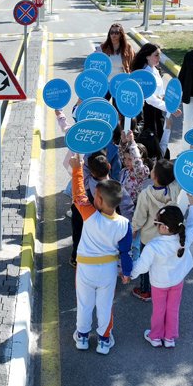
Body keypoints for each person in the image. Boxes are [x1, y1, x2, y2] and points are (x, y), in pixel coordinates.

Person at [69, 152, 132, 356]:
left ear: (102, 201)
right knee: (105, 306)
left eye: (95, 195)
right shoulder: (124, 224)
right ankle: (104, 340)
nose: (91, 197)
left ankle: (82, 337)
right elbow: (125, 252)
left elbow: (78, 194)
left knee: (84, 303)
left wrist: (77, 169)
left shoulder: (90, 215)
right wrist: (126, 273)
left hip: (85, 269)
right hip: (108, 271)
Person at [131, 197, 193, 349]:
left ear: (164, 228)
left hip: (159, 284)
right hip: (177, 282)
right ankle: (170, 338)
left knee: (159, 310)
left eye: (156, 223)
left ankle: (155, 336)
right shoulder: (184, 239)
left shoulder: (153, 246)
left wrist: (129, 274)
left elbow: (142, 267)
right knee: (173, 309)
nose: (155, 226)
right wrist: (192, 204)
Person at [131, 160, 187, 301]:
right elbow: (181, 180)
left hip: (149, 237)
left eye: (153, 168)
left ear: (154, 176)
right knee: (162, 263)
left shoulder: (145, 194)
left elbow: (140, 216)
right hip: (168, 235)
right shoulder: (173, 189)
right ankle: (163, 286)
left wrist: (134, 228)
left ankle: (145, 290)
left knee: (146, 262)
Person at [131, 43, 181, 158]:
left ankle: (161, 161)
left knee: (161, 136)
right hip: (148, 112)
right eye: (156, 55)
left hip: (158, 111)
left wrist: (165, 99)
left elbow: (160, 91)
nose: (159, 58)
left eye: (159, 55)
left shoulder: (155, 69)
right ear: (147, 56)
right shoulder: (144, 73)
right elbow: (150, 99)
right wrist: (169, 108)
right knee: (151, 139)